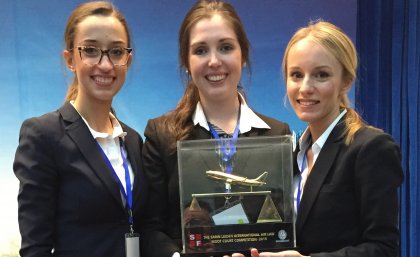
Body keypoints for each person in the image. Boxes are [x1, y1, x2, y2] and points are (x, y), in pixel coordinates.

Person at [227, 21, 404, 257]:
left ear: (346, 80)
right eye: (296, 75)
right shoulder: (291, 154)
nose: (305, 87)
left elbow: (384, 249)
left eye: (321, 75)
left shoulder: (371, 148)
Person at [140, 1, 290, 257]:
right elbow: (149, 227)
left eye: (225, 47)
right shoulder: (161, 134)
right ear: (186, 61)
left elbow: (283, 225)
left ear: (243, 56)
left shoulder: (278, 135)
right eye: (200, 50)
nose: (214, 61)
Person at [13, 2, 148, 256]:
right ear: (70, 59)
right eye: (90, 50)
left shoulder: (132, 140)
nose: (105, 64)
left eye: (116, 52)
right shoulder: (43, 135)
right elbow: (36, 248)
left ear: (127, 60)